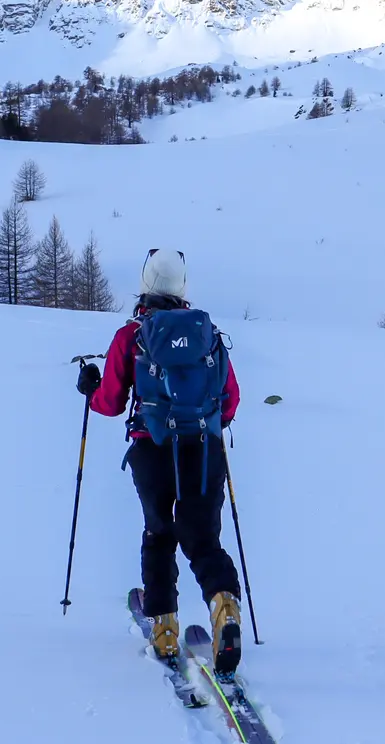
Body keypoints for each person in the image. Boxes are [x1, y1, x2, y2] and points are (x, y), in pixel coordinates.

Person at [77, 248, 245, 672]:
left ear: (146, 285)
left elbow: (111, 402)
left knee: (159, 532)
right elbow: (229, 403)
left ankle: (165, 627)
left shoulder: (130, 336)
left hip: (151, 450)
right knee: (204, 538)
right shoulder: (209, 334)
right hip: (204, 450)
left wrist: (89, 390)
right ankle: (224, 605)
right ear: (183, 287)